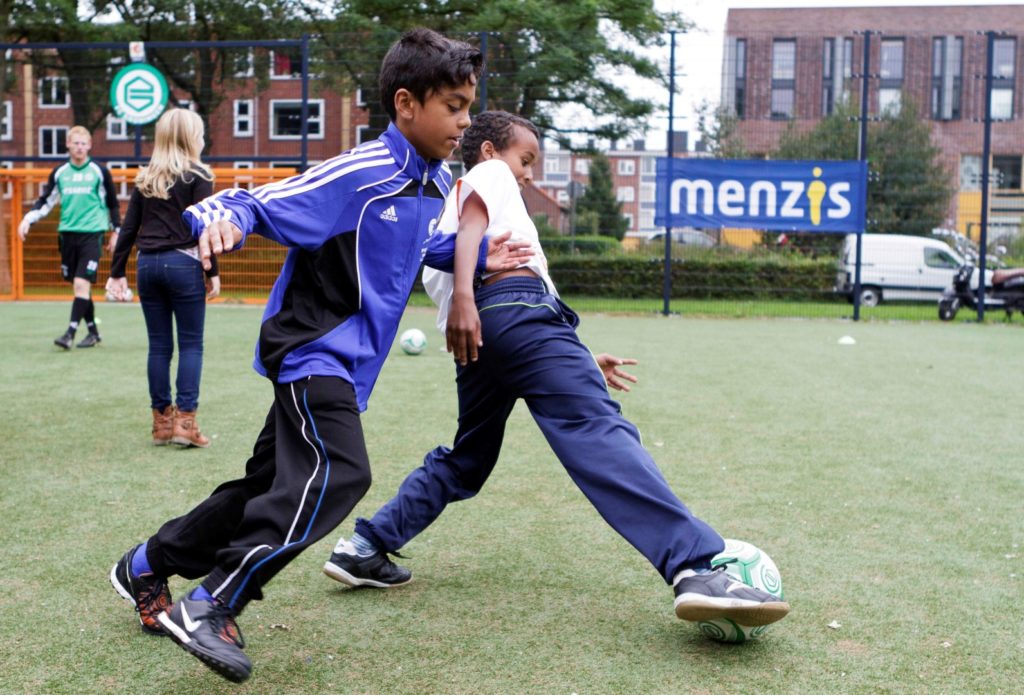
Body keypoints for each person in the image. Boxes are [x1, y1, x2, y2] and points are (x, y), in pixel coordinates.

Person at [108, 29, 532, 684]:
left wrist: (469, 256)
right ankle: (213, 600)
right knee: (340, 472)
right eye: (453, 106)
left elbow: (415, 242)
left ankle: (145, 564)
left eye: (468, 107)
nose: (464, 121)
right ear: (406, 104)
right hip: (313, 350)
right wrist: (222, 220)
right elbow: (259, 200)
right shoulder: (361, 172)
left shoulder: (435, 181)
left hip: (346, 362)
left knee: (265, 486)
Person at [322, 111, 791, 630]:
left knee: (468, 459)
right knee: (595, 428)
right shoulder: (488, 175)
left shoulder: (438, 210)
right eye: (525, 159)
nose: (528, 174)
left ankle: (366, 545)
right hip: (511, 313)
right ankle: (695, 566)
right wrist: (467, 302)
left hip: (482, 340)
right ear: (489, 152)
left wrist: (574, 354)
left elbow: (472, 270)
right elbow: (480, 242)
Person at [105, 109, 219, 448]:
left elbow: (129, 227)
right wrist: (212, 271)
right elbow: (205, 228)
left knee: (158, 346)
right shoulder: (199, 175)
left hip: (147, 266)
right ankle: (185, 423)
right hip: (184, 264)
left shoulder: (146, 177)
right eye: (200, 133)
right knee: (191, 344)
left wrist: (116, 272)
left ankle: (161, 424)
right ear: (190, 137)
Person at [18, 125, 121, 349]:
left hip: (92, 234)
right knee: (80, 287)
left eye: (84, 144)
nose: (80, 148)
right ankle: (93, 333)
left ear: (90, 145)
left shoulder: (99, 172)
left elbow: (113, 204)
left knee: (80, 283)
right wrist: (27, 219)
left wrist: (116, 231)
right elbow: (46, 201)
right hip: (67, 235)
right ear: (68, 144)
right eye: (76, 143)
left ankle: (69, 334)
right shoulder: (60, 173)